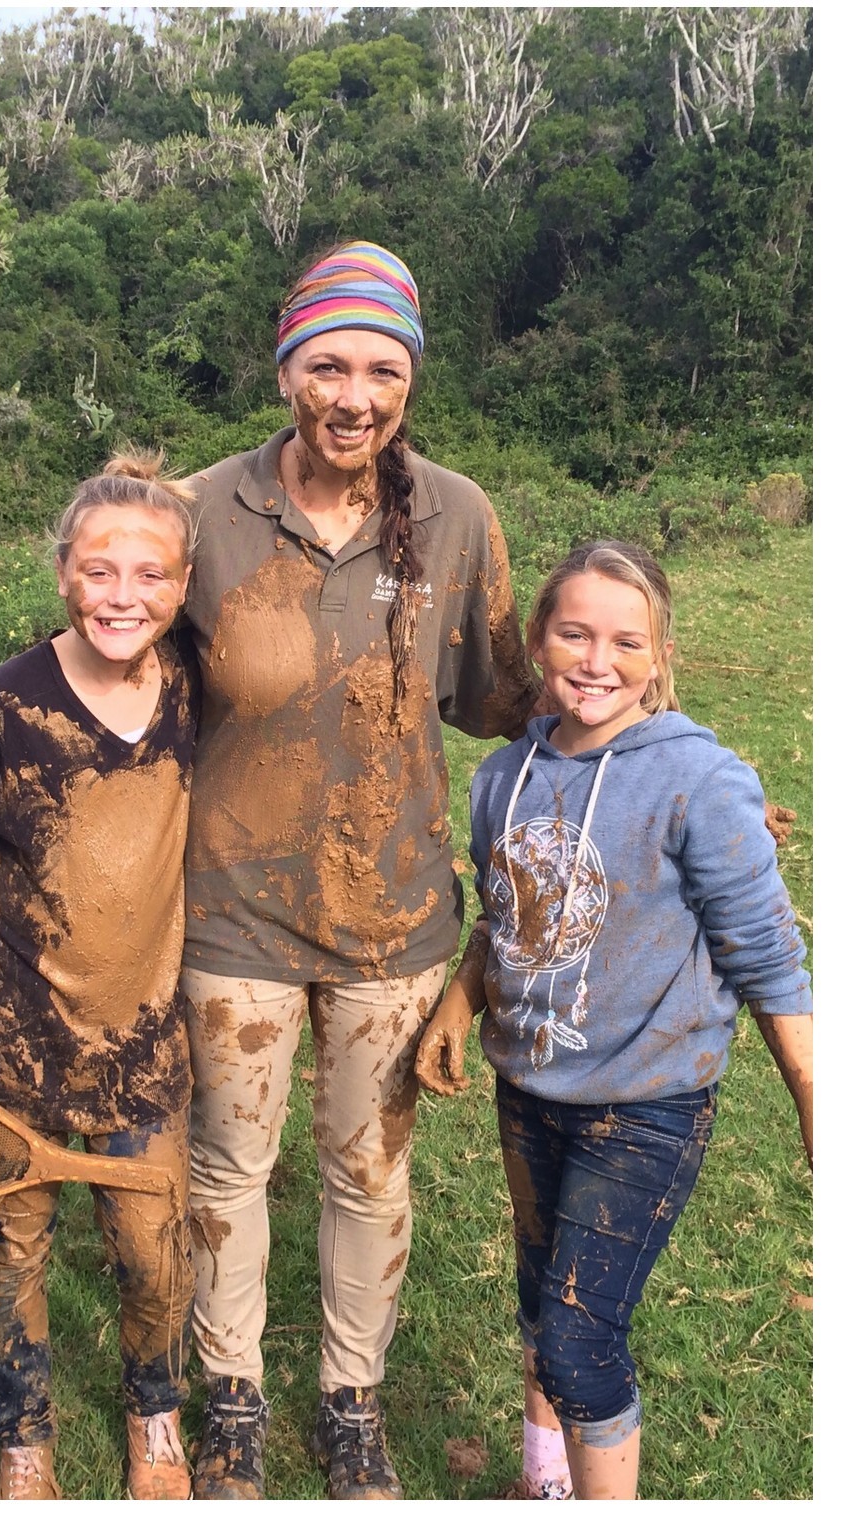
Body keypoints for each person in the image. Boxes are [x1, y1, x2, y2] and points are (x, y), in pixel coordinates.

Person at [164, 239, 527, 1496]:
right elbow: (106, 660)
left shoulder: (457, 514)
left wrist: (666, 765)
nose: (352, 393)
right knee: (225, 1164)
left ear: (411, 378)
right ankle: (231, 1394)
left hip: (397, 914)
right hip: (230, 912)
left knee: (367, 1166)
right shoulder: (203, 513)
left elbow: (507, 691)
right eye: (326, 362)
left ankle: (349, 1395)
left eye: (381, 366)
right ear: (284, 370)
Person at [415, 538, 815, 1501]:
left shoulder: (700, 779)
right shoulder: (500, 778)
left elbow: (767, 953)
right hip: (531, 1087)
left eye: (625, 642)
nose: (598, 661)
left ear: (659, 654)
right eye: (575, 634)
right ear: (539, 642)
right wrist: (459, 1008)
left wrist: (813, 1093)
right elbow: (509, 920)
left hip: (647, 1103)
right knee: (542, 1301)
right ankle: (542, 1484)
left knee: (580, 1340)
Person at [0, 451, 205, 1501]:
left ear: (182, 583)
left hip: (143, 1037)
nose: (123, 594)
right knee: (10, 1240)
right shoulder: (0, 704)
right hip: (8, 1033)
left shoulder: (195, 688)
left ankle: (153, 1414)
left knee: (149, 1245)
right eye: (99, 569)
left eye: (150, 573)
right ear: (61, 569)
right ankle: (23, 1435)